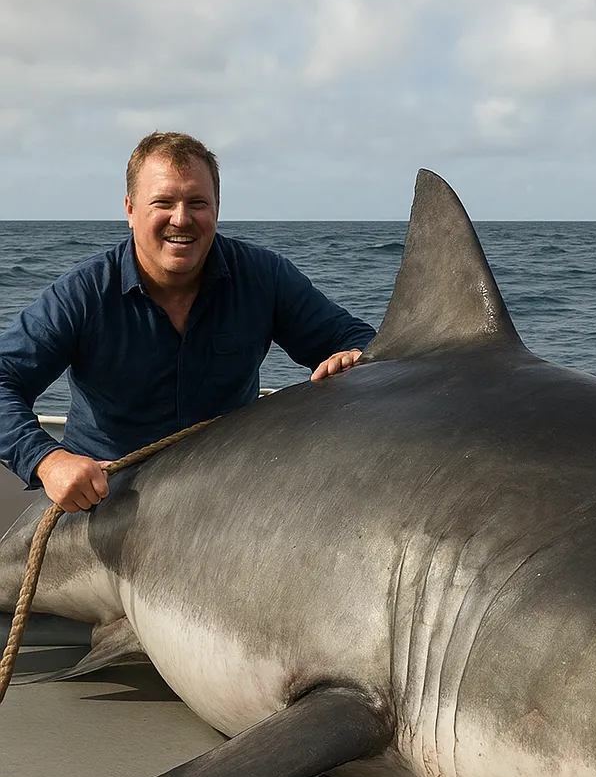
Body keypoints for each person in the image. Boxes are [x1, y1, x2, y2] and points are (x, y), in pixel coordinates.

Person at [0, 131, 375, 514]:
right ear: (130, 209)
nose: (181, 219)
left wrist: (353, 359)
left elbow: (356, 339)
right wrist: (47, 460)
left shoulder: (264, 276)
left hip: (222, 501)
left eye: (197, 203)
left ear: (216, 208)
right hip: (104, 503)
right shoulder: (84, 293)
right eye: (163, 202)